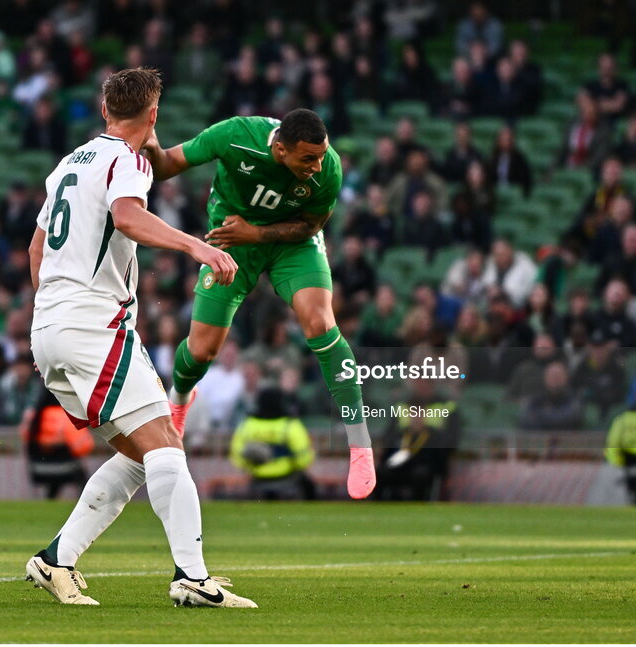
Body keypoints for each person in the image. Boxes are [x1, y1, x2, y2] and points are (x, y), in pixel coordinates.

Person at [26, 68, 255, 609]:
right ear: (153, 116)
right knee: (167, 446)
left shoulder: (67, 164)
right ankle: (193, 578)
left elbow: (36, 250)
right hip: (93, 324)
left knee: (140, 455)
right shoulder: (125, 161)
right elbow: (127, 217)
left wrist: (56, 308)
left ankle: (55, 560)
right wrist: (196, 248)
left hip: (48, 329)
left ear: (105, 111)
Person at [143, 108, 376, 500]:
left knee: (320, 324)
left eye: (321, 156)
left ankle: (360, 442)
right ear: (281, 149)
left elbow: (311, 226)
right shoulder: (236, 135)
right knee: (202, 350)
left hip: (291, 246)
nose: (318, 166)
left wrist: (260, 232)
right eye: (308, 159)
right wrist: (149, 146)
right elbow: (168, 164)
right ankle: (179, 400)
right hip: (231, 241)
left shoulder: (329, 167)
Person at [376, 378, 460, 501]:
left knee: (421, 474)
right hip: (402, 467)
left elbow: (441, 455)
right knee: (383, 472)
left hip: (424, 467)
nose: (416, 417)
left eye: (420, 413)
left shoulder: (434, 436)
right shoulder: (402, 434)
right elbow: (388, 449)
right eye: (413, 413)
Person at [229, 386, 315, 501]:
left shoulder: (247, 425)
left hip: (257, 477)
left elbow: (237, 455)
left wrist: (249, 467)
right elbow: (304, 457)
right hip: (286, 476)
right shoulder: (290, 424)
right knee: (309, 487)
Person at [22, 388, 92, 500]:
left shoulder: (34, 416)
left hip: (39, 468)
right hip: (64, 468)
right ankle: (87, 501)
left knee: (56, 473)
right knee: (79, 470)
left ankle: (51, 498)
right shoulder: (66, 416)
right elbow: (82, 446)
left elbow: (25, 437)